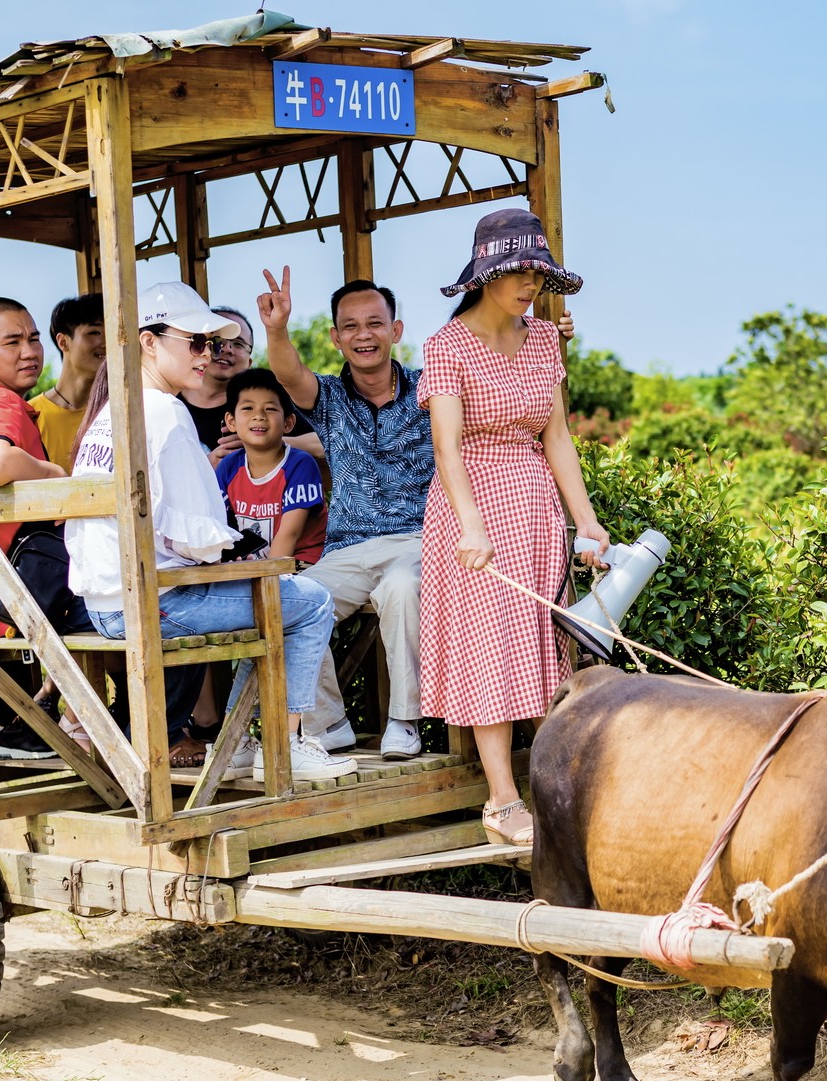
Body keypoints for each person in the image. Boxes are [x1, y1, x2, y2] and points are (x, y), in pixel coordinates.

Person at [258, 268, 577, 761]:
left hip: (420, 539)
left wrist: (553, 336)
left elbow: (498, 383)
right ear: (336, 337)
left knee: (404, 589)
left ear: (396, 330)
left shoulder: (431, 383)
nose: (364, 335)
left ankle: (404, 722)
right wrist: (277, 330)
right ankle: (329, 725)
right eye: (351, 326)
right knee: (287, 601)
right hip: (347, 548)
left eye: (375, 323)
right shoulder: (329, 397)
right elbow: (287, 374)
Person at [65, 281, 355, 784]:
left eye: (214, 344)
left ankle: (239, 741)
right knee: (309, 600)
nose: (209, 354)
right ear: (149, 342)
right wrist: (236, 554)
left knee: (274, 600)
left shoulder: (110, 414)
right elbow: (199, 537)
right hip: (157, 600)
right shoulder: (165, 413)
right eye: (196, 342)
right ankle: (284, 743)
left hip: (108, 602)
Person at [418, 208, 609, 847]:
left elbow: (556, 437)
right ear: (485, 275)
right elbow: (447, 448)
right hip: (470, 507)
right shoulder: (447, 346)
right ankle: (501, 799)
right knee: (489, 645)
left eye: (537, 272)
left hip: (533, 506)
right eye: (518, 272)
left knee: (542, 640)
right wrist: (471, 527)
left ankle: (551, 785)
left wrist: (586, 522)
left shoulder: (545, 339)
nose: (531, 283)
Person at [0, 295, 71, 759]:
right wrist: (56, 475)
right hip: (14, 588)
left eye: (34, 338)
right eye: (12, 342)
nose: (30, 351)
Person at [182, 305, 323, 466]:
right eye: (217, 340)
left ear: (249, 363)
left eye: (238, 344)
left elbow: (325, 441)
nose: (227, 349)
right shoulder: (169, 400)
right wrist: (206, 469)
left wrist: (266, 441)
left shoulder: (269, 401)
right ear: (199, 346)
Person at [215, 369, 327, 566]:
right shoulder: (228, 467)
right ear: (231, 421)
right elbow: (218, 525)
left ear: (288, 422)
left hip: (299, 564)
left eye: (270, 409)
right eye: (248, 408)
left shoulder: (299, 464)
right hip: (254, 566)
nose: (259, 416)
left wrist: (267, 585)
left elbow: (289, 535)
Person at [30, 293, 104, 472]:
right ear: (63, 342)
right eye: (94, 332)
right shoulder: (32, 415)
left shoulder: (119, 412)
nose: (106, 341)